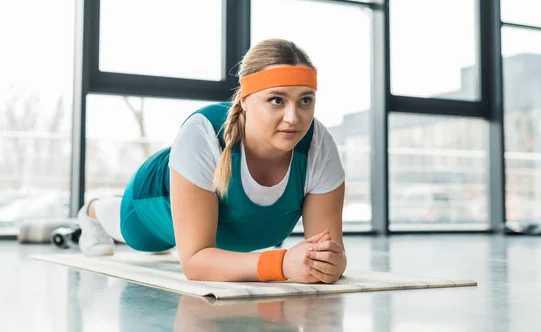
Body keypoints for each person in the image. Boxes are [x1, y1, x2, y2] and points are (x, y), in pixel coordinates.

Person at [77, 38, 347, 284]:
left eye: (305, 100)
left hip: (226, 235)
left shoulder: (319, 145)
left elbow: (330, 251)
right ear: (245, 101)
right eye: (276, 100)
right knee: (143, 241)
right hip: (150, 200)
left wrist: (330, 263)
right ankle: (93, 209)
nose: (293, 117)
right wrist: (282, 263)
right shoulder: (203, 131)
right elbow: (195, 263)